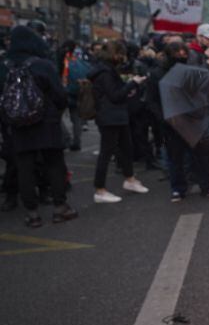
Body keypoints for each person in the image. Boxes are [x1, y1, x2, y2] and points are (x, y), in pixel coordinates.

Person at [0, 25, 76, 227]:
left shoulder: (4, 66)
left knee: (25, 168)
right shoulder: (43, 65)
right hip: (47, 122)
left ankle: (32, 214)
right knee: (54, 165)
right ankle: (60, 208)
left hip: (17, 125)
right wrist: (56, 112)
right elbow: (60, 95)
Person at [146, 42, 209, 202]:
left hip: (191, 120)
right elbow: (152, 101)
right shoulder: (157, 74)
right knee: (176, 158)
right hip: (172, 122)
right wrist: (164, 118)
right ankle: (178, 189)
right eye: (179, 53)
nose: (183, 56)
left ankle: (206, 186)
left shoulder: (189, 72)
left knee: (199, 156)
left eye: (184, 53)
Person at [87, 40, 149, 203]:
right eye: (121, 54)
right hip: (110, 117)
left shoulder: (106, 70)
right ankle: (100, 190)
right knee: (107, 153)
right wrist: (132, 83)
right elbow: (115, 95)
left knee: (126, 149)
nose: (123, 58)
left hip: (117, 115)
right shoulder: (105, 73)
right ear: (114, 54)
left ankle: (130, 179)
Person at [61, 41, 91, 152]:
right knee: (76, 119)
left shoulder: (63, 61)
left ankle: (66, 138)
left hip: (65, 92)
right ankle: (77, 142)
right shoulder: (80, 61)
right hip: (78, 93)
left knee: (57, 118)